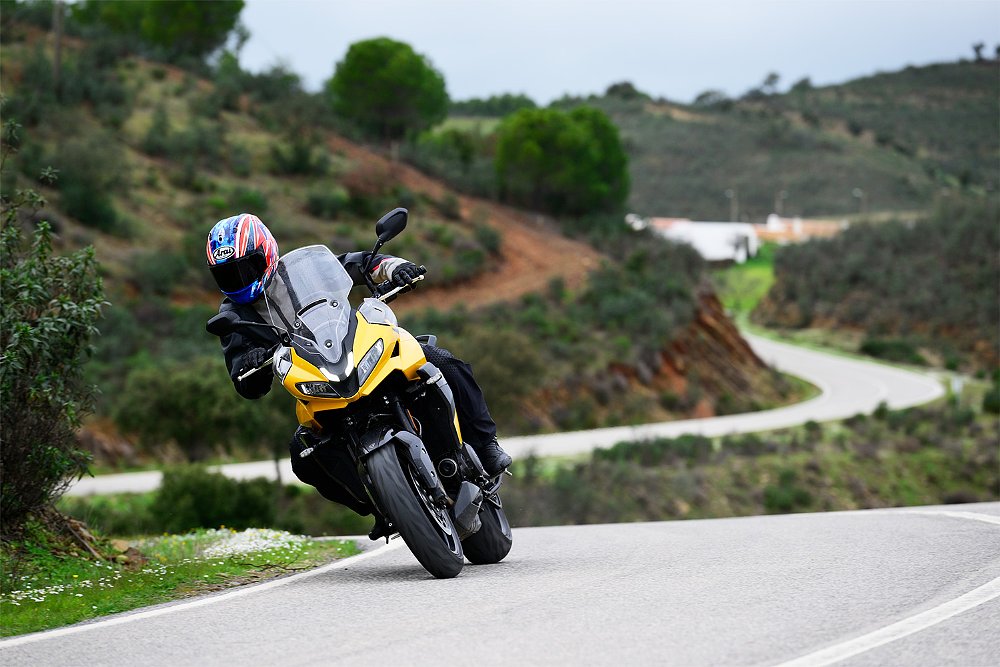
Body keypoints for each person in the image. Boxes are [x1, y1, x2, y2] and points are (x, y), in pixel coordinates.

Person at [206, 213, 512, 539]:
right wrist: (249, 363)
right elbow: (245, 381)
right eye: (228, 274)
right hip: (317, 381)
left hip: (355, 345)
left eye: (247, 267)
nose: (240, 278)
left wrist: (395, 268)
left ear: (267, 252)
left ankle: (485, 445)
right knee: (303, 454)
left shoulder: (303, 270)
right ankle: (381, 505)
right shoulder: (233, 316)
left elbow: (362, 263)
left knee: (440, 361)